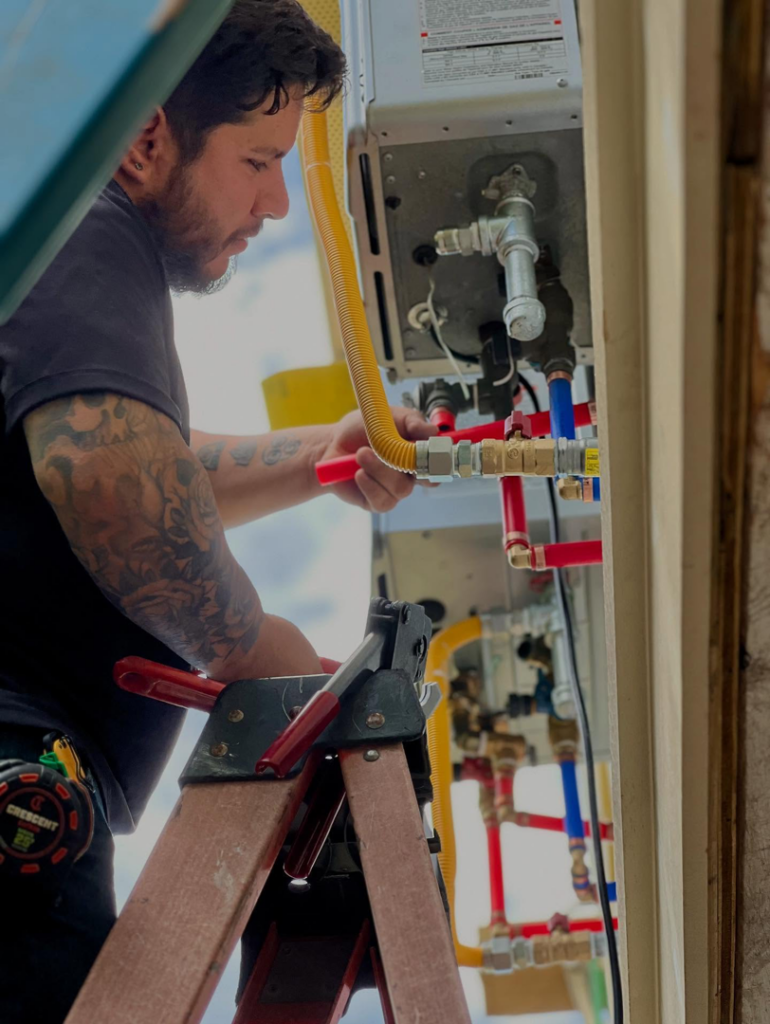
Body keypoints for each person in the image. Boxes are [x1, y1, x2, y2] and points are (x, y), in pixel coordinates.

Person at [0, 2, 434, 1020]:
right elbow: (110, 480)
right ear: (150, 137)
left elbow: (131, 462)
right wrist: (258, 652)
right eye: (256, 159)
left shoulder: (52, 260)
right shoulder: (87, 225)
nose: (277, 202)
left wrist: (316, 458)